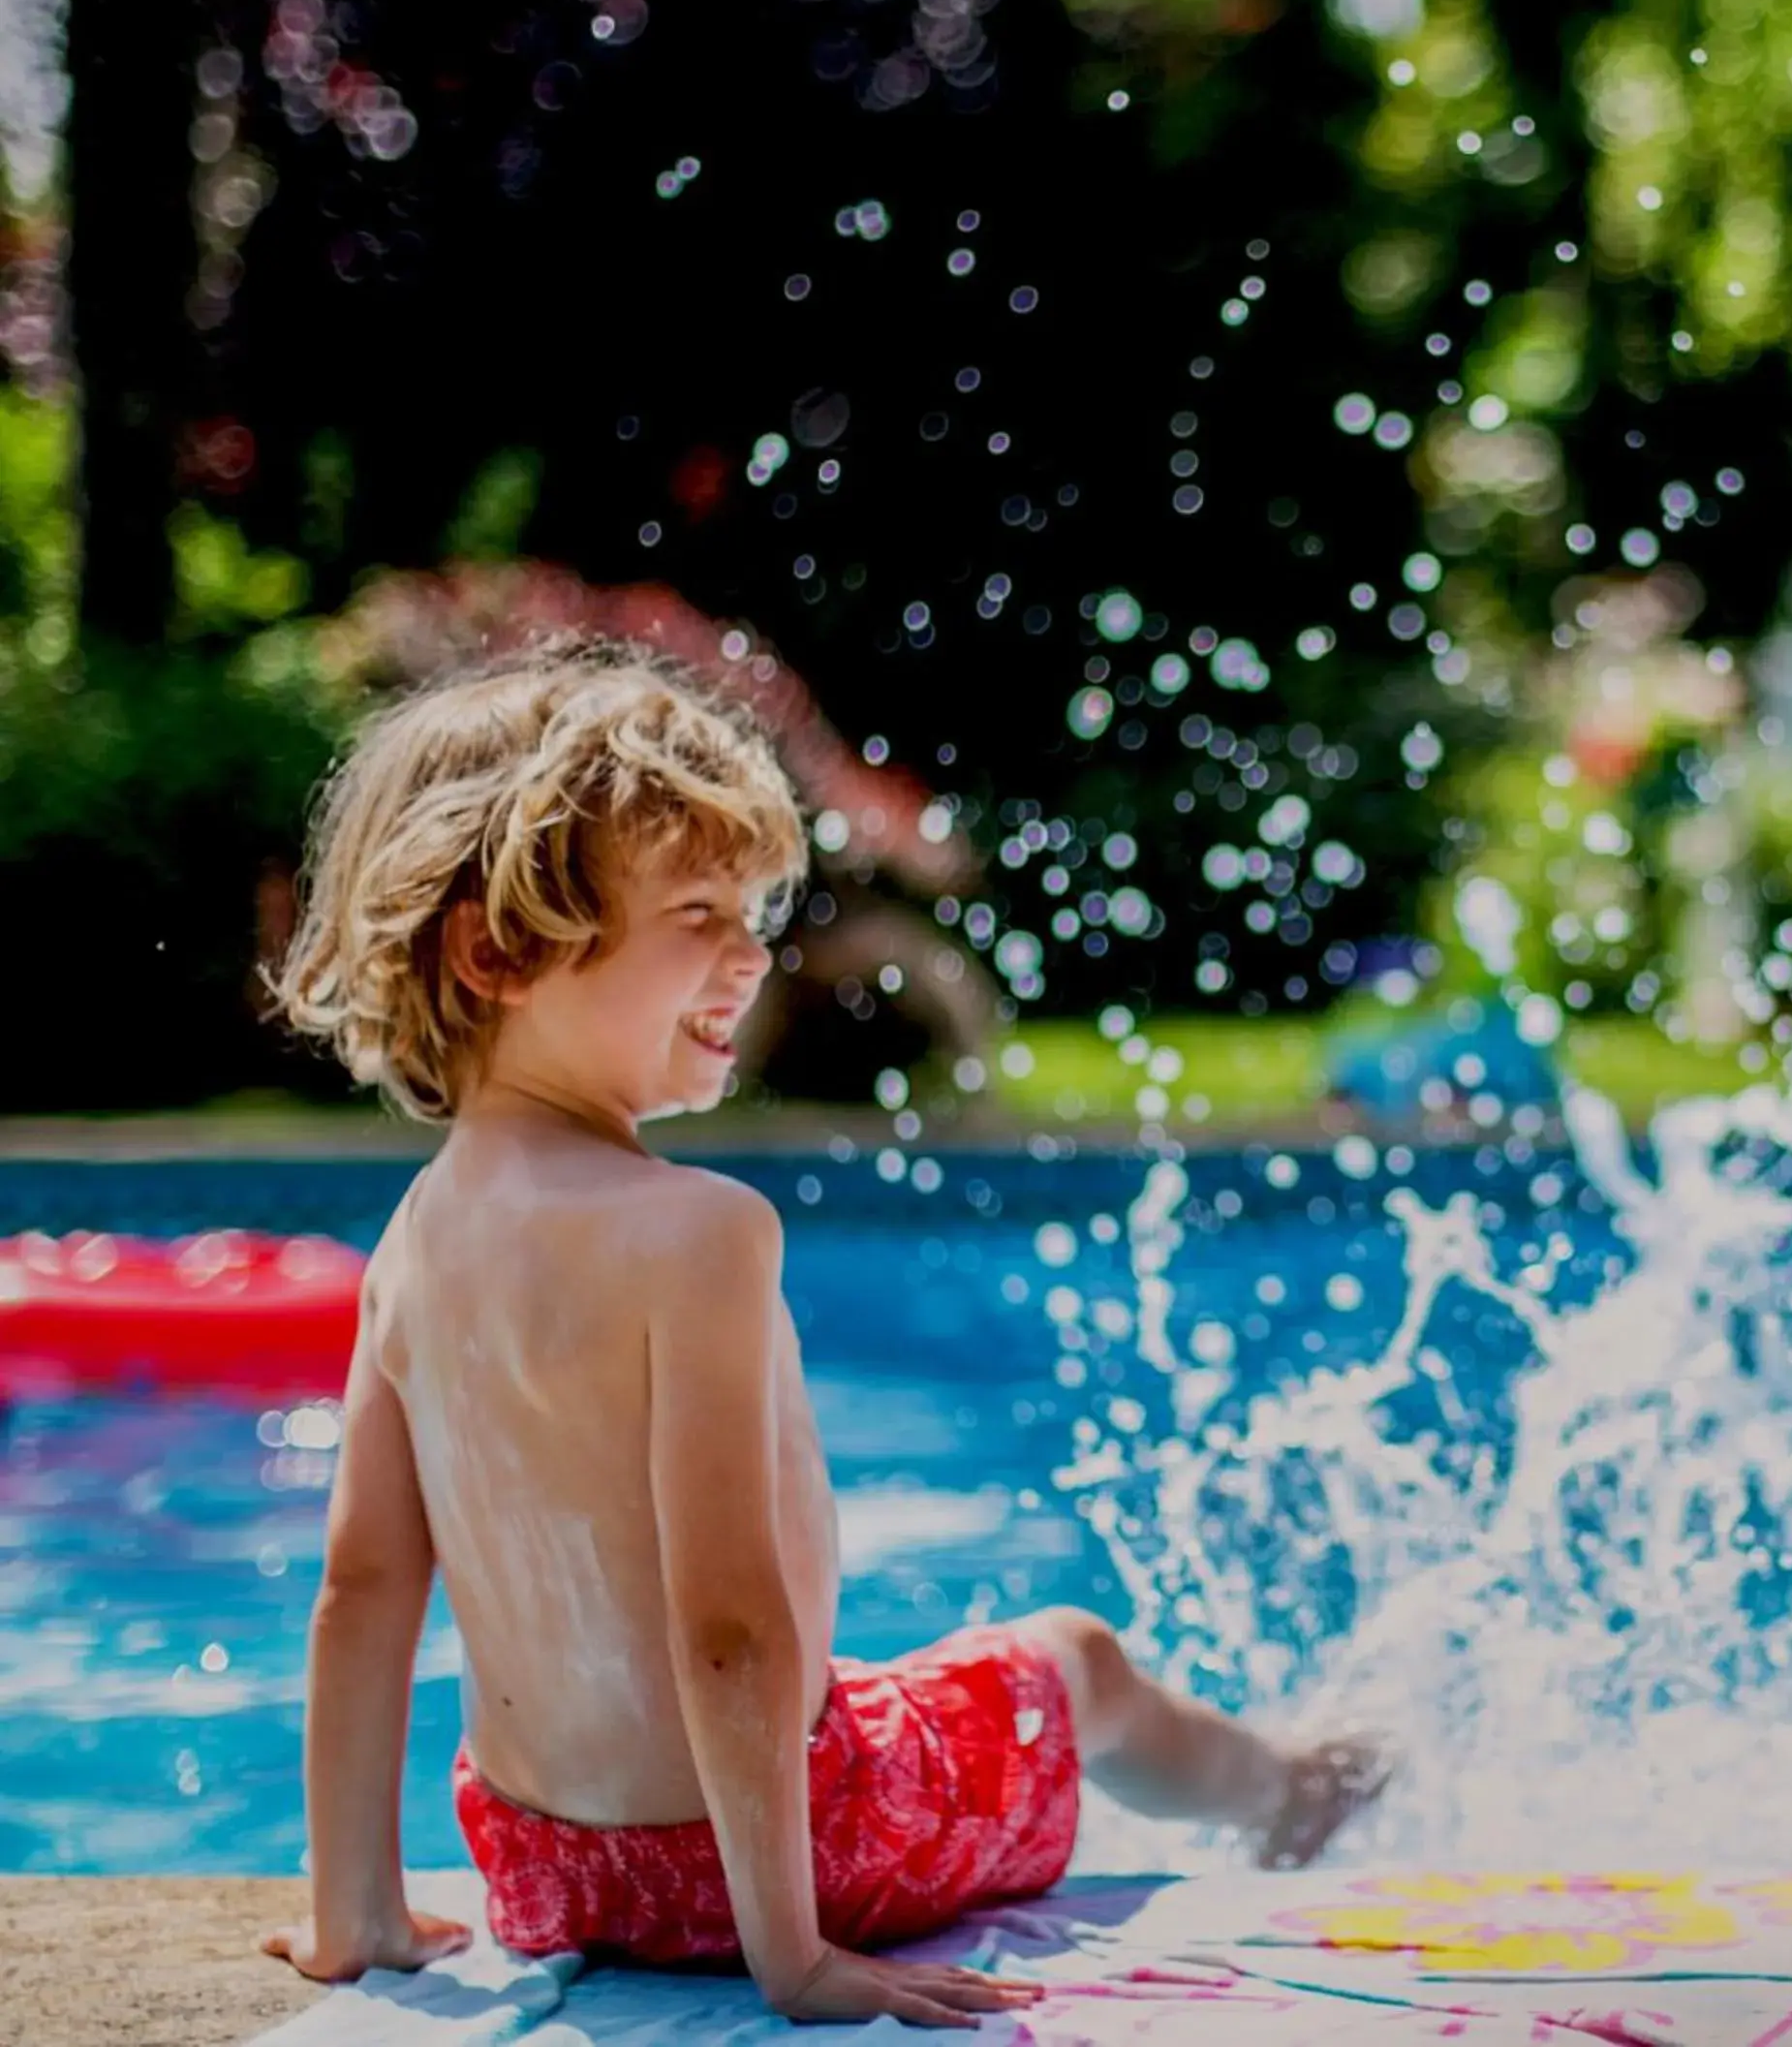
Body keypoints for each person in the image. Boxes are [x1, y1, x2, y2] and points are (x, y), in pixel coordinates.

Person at [258, 643, 1382, 2028]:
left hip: (543, 1869)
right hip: (804, 1858)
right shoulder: (697, 1232)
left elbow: (363, 1586)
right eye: (695, 912)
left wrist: (353, 1913)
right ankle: (1292, 1793)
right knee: (1076, 1655)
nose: (749, 956)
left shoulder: (414, 1242)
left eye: (750, 913)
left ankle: (366, 1899)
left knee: (873, 1689)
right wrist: (791, 1958)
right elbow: (730, 1627)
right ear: (497, 951)